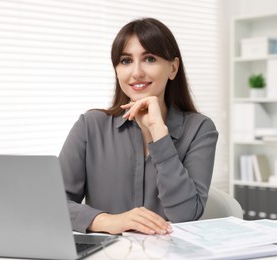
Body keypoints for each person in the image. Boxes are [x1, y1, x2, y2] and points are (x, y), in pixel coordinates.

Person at [59, 17, 218, 235]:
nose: (136, 72)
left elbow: (185, 215)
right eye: (125, 61)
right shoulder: (90, 126)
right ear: (116, 70)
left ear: (173, 68)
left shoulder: (200, 129)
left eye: (149, 59)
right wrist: (108, 221)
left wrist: (159, 134)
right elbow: (53, 204)